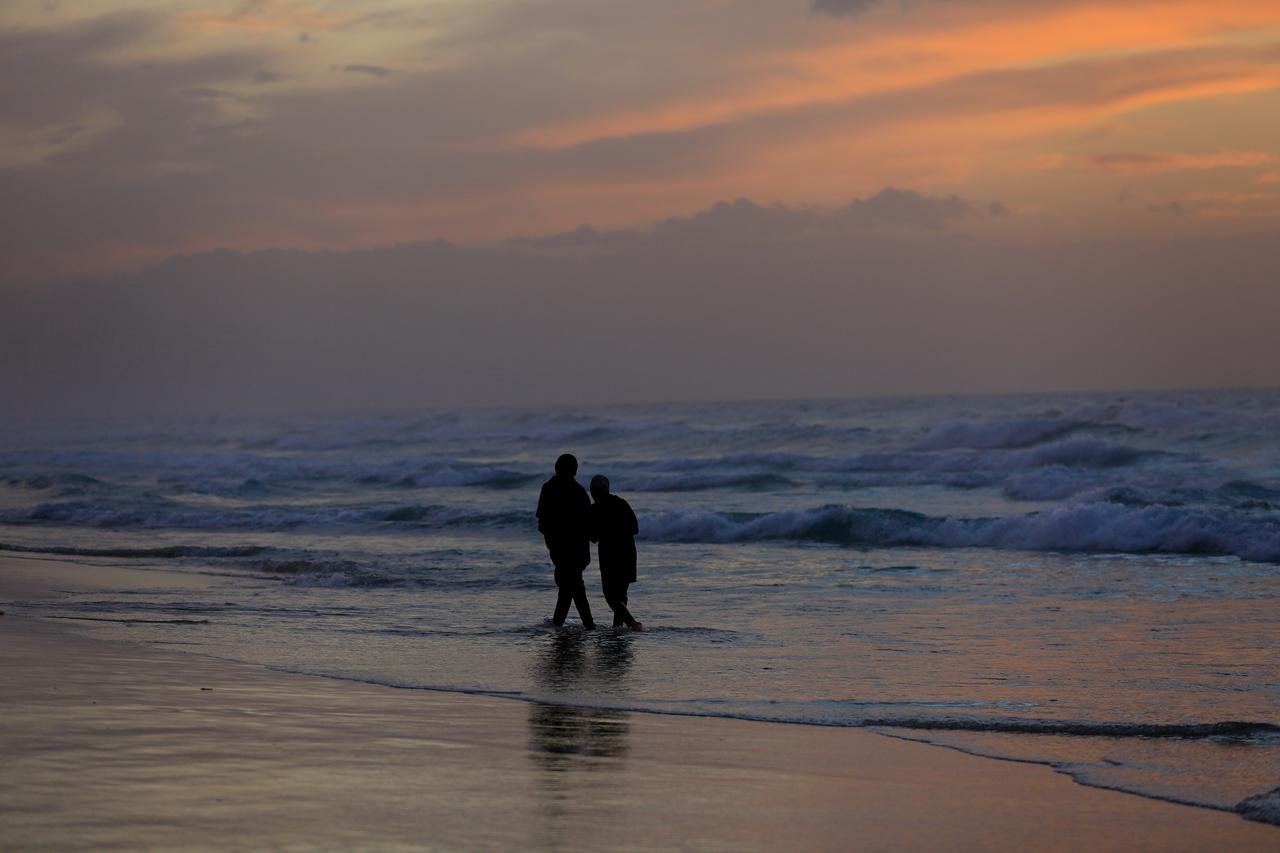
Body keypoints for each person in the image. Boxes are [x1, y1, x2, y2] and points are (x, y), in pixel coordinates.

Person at [536, 453, 595, 629]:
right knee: (573, 585)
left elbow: (542, 522)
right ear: (574, 470)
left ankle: (561, 624)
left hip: (558, 547)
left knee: (569, 585)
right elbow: (588, 521)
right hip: (577, 548)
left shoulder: (548, 488)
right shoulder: (579, 492)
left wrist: (551, 536)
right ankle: (585, 625)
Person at [587, 474, 642, 630]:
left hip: (609, 555)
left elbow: (593, 538)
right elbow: (635, 529)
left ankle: (632, 623)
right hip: (628, 552)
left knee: (610, 596)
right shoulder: (622, 503)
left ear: (593, 491)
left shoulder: (595, 509)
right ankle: (617, 627)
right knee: (621, 594)